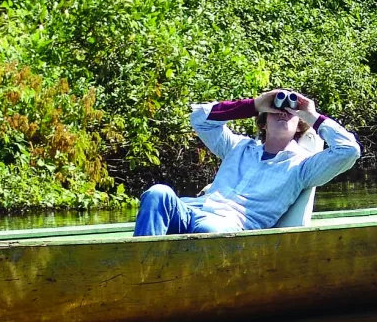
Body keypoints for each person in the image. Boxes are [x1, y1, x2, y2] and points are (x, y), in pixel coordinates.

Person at [133, 89, 361, 236]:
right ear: (263, 122)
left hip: (228, 227)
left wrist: (311, 115)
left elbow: (349, 150)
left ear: (299, 125)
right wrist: (254, 104)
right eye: (275, 112)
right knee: (158, 193)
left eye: (290, 114)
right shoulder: (237, 146)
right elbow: (199, 118)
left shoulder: (303, 167)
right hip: (193, 209)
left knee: (209, 229)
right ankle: (139, 271)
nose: (283, 114)